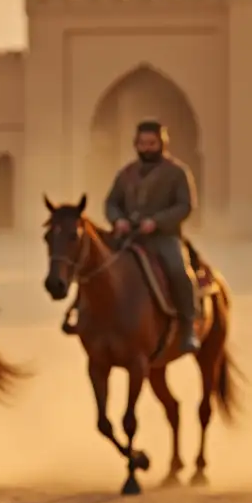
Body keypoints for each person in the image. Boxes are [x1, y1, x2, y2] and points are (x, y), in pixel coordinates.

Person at [100, 120, 203, 354]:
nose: (146, 148)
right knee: (95, 263)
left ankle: (189, 326)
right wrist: (118, 220)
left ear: (162, 144)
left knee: (178, 270)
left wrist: (156, 222)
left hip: (163, 238)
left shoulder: (177, 172)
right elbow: (111, 202)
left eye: (151, 143)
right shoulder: (126, 173)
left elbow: (185, 206)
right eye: (142, 143)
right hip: (129, 237)